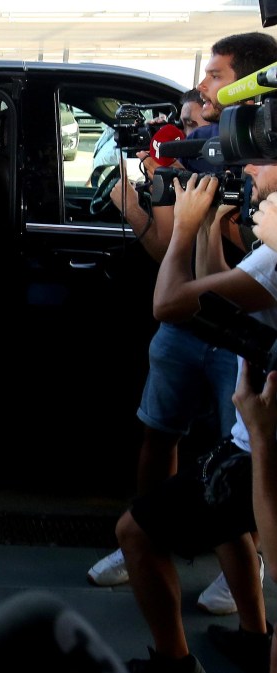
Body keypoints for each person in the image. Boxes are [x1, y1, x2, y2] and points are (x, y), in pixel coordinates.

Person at [88, 33, 277, 618]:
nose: (200, 88)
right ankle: (159, 538)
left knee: (242, 464)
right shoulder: (207, 144)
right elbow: (197, 269)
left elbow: (173, 270)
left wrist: (141, 208)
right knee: (164, 435)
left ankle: (249, 574)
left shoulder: (250, 161)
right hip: (204, 320)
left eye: (215, 76)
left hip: (244, 341)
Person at [116, 164, 277, 673]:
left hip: (260, 442)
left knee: (135, 533)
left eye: (259, 153)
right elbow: (219, 288)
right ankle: (255, 638)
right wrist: (210, 224)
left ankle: (173, 662)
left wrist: (183, 227)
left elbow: (169, 303)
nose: (247, 166)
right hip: (252, 436)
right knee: (227, 518)